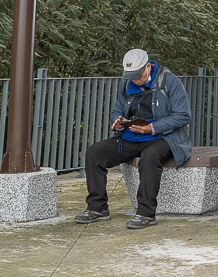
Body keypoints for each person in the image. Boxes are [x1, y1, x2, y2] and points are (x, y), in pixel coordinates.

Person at [75, 49, 192, 230]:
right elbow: (117, 109)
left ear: (147, 67)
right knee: (94, 153)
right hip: (131, 136)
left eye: (137, 75)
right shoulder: (127, 83)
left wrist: (152, 127)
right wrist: (118, 121)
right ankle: (97, 208)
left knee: (149, 157)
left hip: (162, 137)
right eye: (131, 76)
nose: (134, 79)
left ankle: (145, 213)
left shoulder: (169, 81)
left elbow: (183, 115)